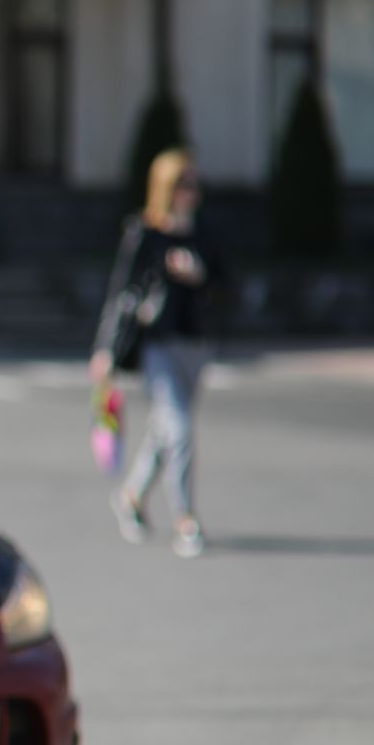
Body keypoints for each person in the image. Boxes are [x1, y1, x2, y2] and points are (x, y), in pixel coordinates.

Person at [90, 147, 225, 559]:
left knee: (163, 432)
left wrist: (199, 275)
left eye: (194, 183)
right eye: (183, 183)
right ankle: (186, 518)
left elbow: (225, 285)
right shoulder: (145, 232)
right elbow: (122, 292)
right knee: (179, 427)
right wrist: (105, 349)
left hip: (196, 344)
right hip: (157, 345)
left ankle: (131, 495)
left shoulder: (204, 233)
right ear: (165, 187)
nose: (191, 191)